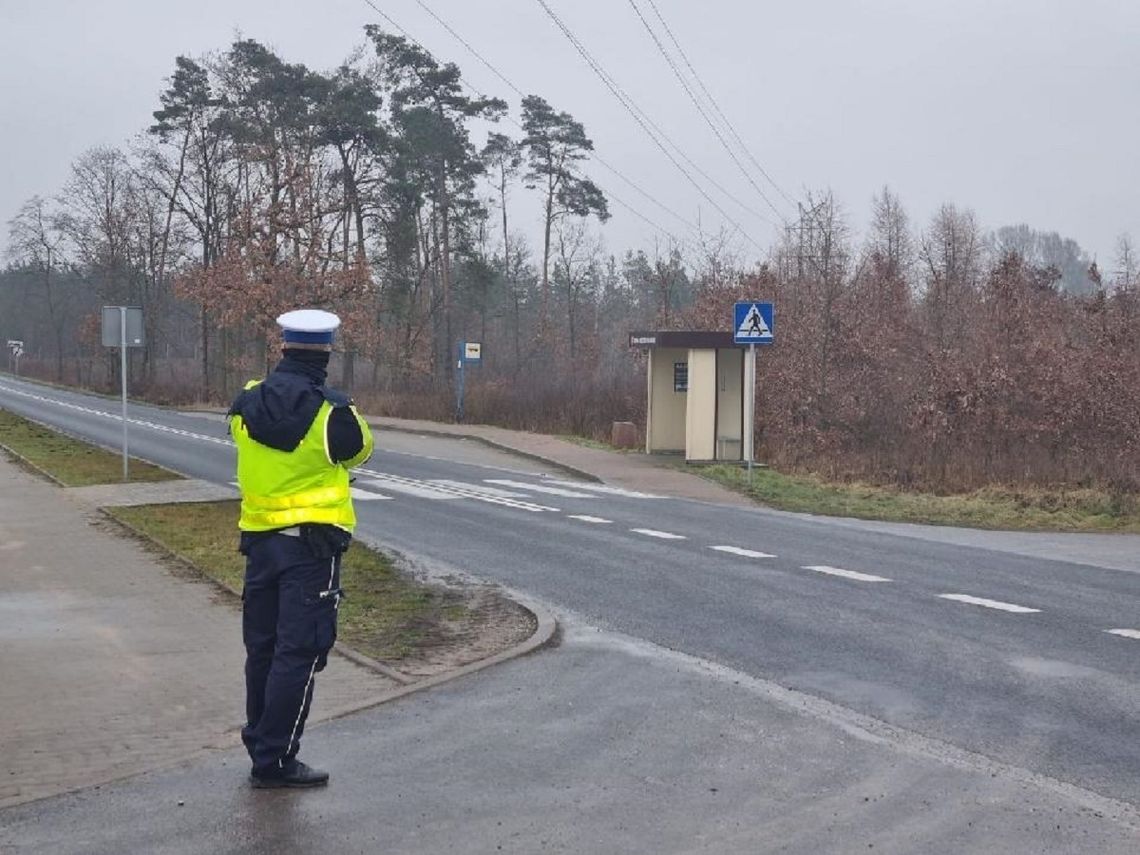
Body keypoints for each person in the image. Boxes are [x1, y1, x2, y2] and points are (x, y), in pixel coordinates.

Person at [228, 309, 374, 788]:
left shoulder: (248, 401)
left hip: (259, 544)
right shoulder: (334, 413)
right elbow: (361, 451)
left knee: (262, 650)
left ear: (283, 347)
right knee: (300, 653)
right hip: (310, 551)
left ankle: (260, 743)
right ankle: (275, 761)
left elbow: (245, 443)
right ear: (327, 353)